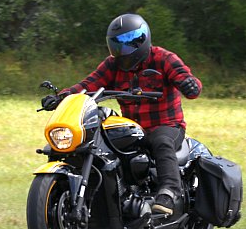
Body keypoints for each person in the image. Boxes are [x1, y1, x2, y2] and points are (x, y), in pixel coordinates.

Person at [42, 13, 202, 215]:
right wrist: (63, 97)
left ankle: (169, 192)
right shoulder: (113, 64)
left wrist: (189, 85)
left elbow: (189, 81)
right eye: (116, 45)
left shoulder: (164, 59)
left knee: (161, 141)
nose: (121, 50)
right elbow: (88, 85)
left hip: (167, 125)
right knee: (101, 141)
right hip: (133, 127)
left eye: (126, 43)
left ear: (142, 40)